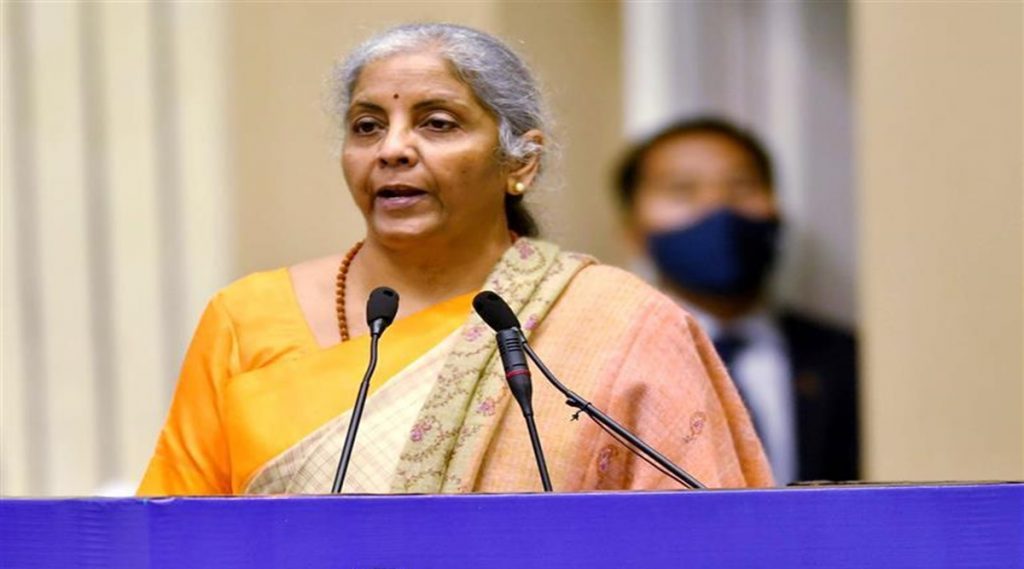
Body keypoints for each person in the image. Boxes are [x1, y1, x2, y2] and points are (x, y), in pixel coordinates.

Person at [138, 25, 771, 496]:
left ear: (520, 162)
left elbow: (709, 536)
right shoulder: (246, 317)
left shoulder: (620, 324)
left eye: (436, 123)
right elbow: (172, 536)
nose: (392, 149)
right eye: (366, 126)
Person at [615, 117, 859, 484]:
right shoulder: (612, 362)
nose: (718, 206)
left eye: (743, 186)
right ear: (633, 230)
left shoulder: (848, 360)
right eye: (682, 190)